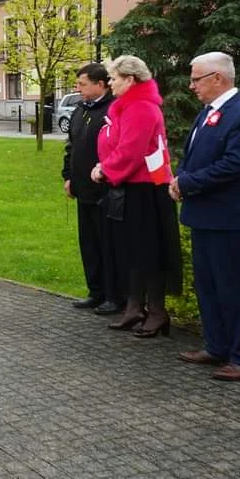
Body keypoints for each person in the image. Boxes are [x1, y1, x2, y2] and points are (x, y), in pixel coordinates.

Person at [171, 52, 240, 382]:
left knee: (232, 288)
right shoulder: (209, 112)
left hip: (229, 217)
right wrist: (180, 177)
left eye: (196, 78)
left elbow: (234, 166)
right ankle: (216, 346)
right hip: (204, 214)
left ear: (217, 78)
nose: (191, 85)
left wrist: (188, 182)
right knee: (207, 285)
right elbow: (194, 155)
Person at [91, 55, 182, 338]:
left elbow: (131, 150)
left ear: (130, 80)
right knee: (132, 252)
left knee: (148, 253)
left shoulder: (141, 108)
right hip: (130, 187)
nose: (110, 83)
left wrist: (105, 169)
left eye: (115, 78)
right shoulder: (126, 106)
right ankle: (134, 307)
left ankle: (156, 312)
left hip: (146, 191)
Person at [61, 63, 121, 314]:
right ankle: (95, 291)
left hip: (105, 191)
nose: (78, 89)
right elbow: (71, 147)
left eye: (82, 84)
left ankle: (114, 295)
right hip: (82, 189)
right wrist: (68, 176)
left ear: (101, 84)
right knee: (89, 244)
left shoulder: (112, 110)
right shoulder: (79, 111)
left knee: (108, 244)